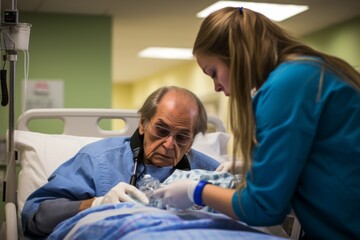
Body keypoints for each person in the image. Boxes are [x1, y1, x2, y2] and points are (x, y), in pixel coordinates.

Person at [152, 7, 360, 240]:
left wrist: (196, 191)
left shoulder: (286, 86)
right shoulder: (309, 70)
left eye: (213, 72)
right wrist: (256, 166)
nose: (216, 87)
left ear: (235, 55)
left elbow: (262, 208)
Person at [22, 86, 220, 238]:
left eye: (182, 137)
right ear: (142, 124)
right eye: (161, 130)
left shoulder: (210, 172)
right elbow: (35, 218)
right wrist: (95, 204)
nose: (169, 144)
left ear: (192, 140)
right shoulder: (98, 160)